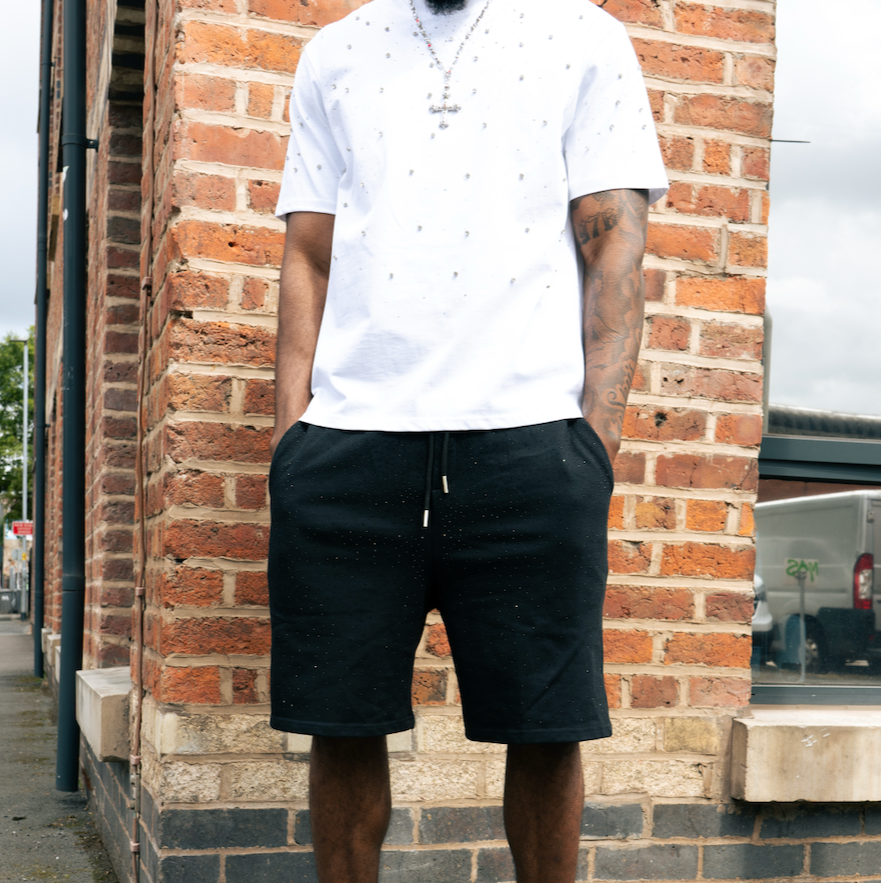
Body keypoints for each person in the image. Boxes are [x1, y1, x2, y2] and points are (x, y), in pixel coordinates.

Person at [267, 0, 668, 879]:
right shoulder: (334, 53)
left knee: (546, 727)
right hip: (346, 447)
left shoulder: (582, 36)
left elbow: (614, 247)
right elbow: (309, 252)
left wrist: (591, 446)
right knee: (340, 725)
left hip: (530, 445)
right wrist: (291, 439)